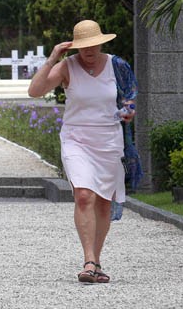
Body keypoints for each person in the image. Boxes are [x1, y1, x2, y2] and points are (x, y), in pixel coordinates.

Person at [28, 20, 137, 284]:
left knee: (103, 202)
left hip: (108, 140)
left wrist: (128, 110)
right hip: (76, 138)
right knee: (84, 195)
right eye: (83, 46)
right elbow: (35, 91)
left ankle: (96, 261)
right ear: (75, 46)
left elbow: (130, 97)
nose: (88, 50)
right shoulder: (67, 66)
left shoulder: (117, 65)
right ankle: (88, 261)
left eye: (93, 45)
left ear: (101, 43)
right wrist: (52, 59)